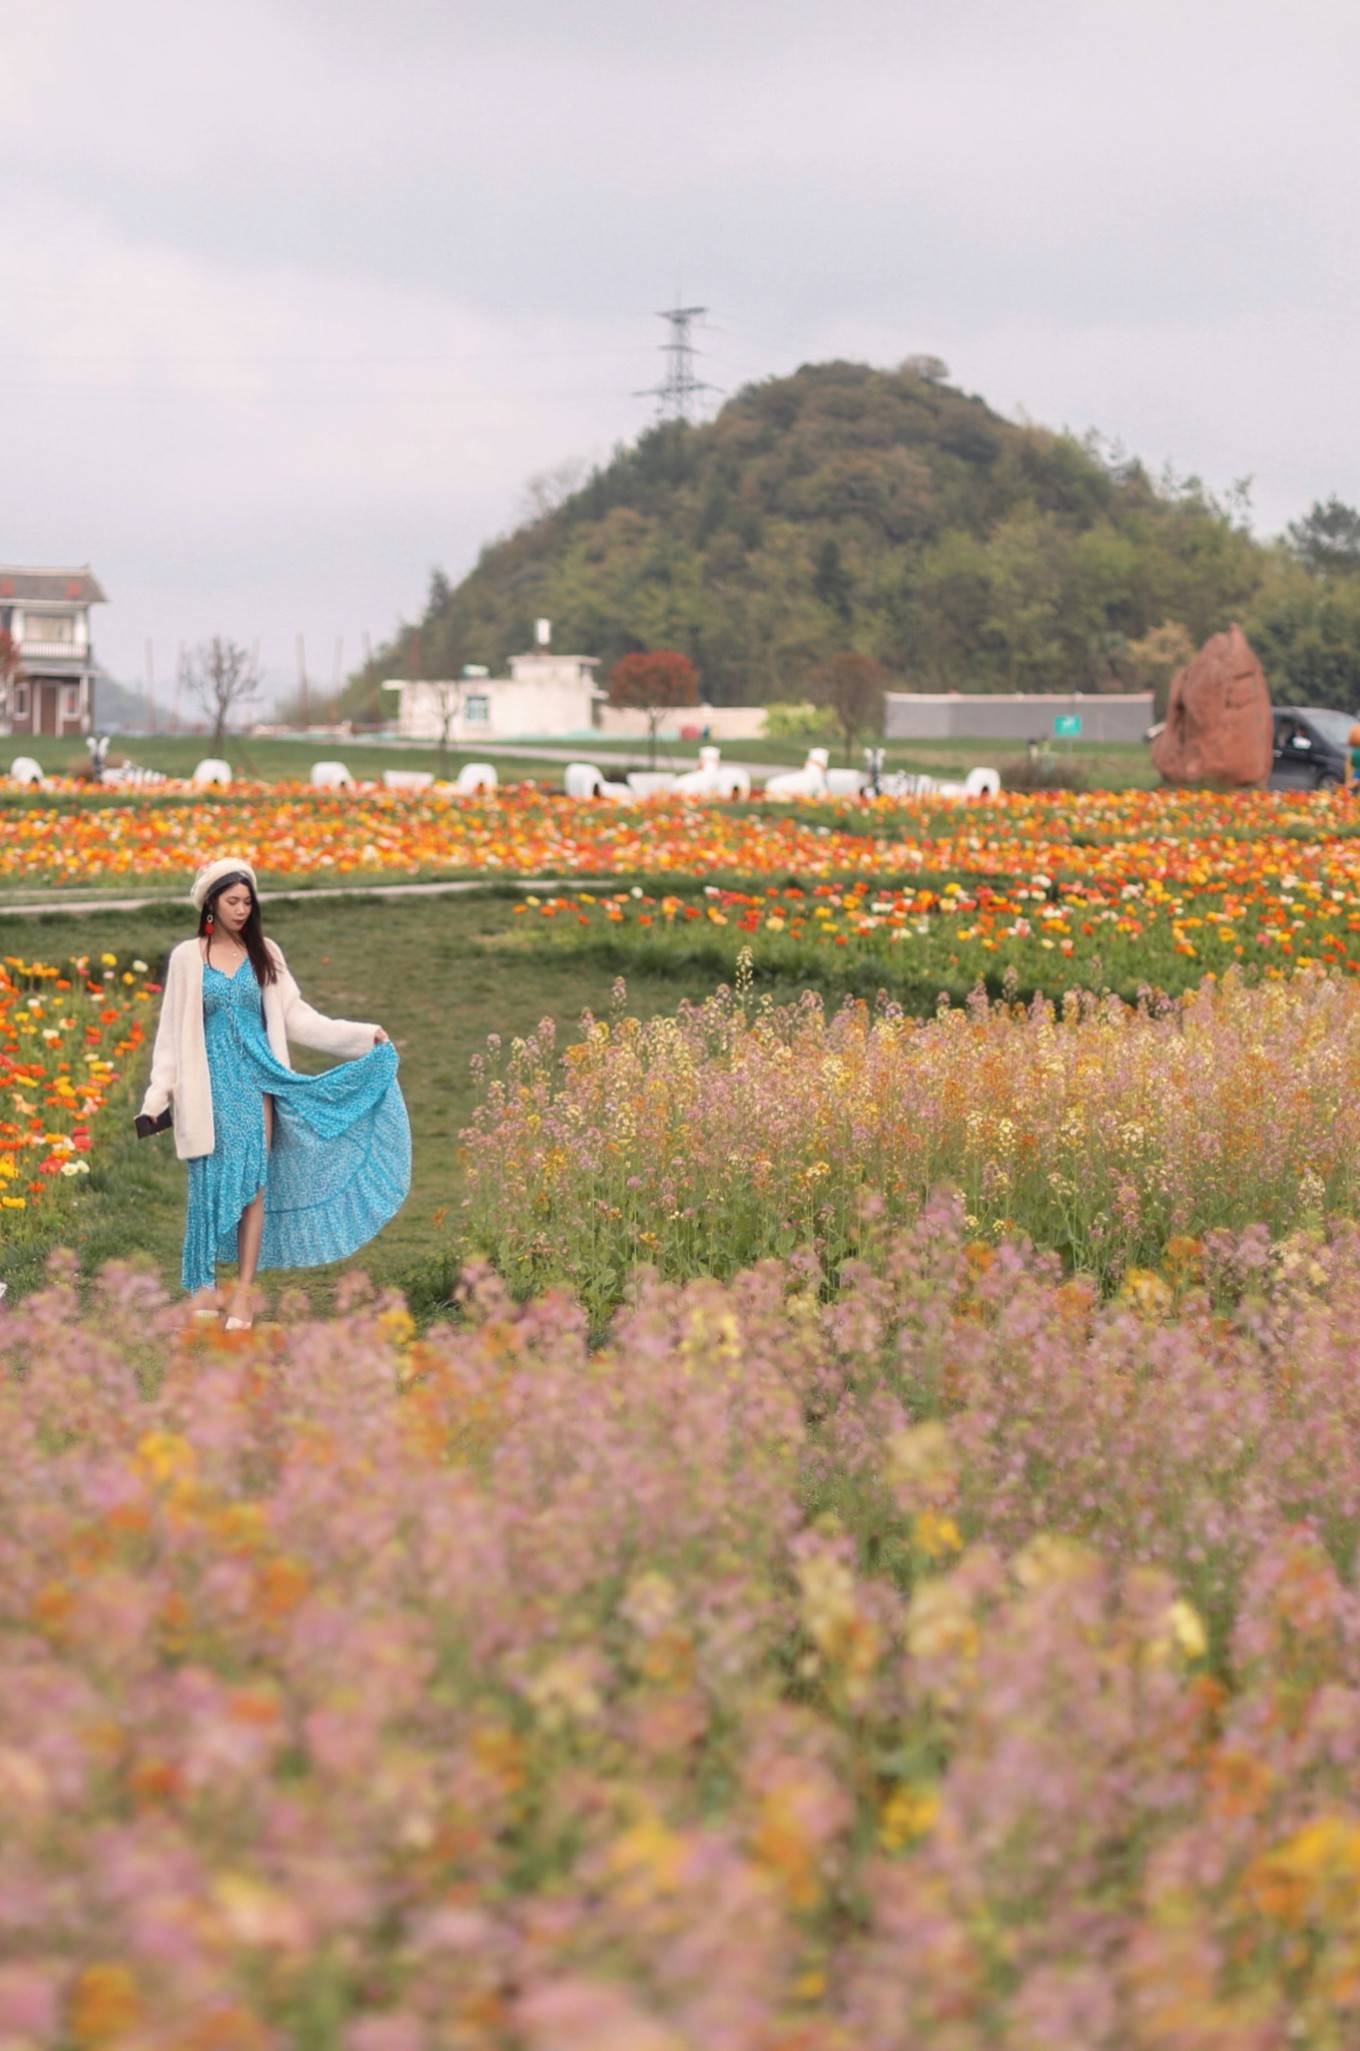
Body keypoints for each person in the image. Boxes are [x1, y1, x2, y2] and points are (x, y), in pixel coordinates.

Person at [136, 856, 410, 1326]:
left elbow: (298, 1018)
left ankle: (243, 1294)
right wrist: (157, 1097)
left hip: (259, 1081)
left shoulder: (266, 952)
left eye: (247, 901)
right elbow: (170, 1037)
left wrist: (362, 1037)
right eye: (232, 901)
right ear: (210, 903)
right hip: (208, 1089)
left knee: (254, 1186)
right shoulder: (187, 958)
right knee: (208, 1183)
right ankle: (204, 1287)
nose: (242, 910)